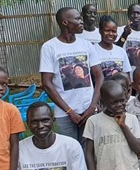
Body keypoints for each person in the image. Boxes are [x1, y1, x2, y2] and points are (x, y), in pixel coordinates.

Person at [40, 7, 103, 143]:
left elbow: (99, 76)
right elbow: (46, 83)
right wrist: (69, 111)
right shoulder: (49, 47)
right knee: (69, 150)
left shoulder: (87, 45)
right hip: (64, 114)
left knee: (90, 150)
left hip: (89, 111)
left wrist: (92, 106)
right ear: (65, 22)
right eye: (77, 19)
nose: (82, 22)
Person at [117, 4, 140, 70]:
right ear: (128, 15)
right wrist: (124, 35)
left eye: (138, 13)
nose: (135, 16)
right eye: (132, 13)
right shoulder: (119, 31)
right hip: (125, 72)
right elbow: (115, 50)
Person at [95, 15, 131, 80]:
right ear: (100, 31)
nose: (111, 34)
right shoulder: (93, 50)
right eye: (107, 31)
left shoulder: (121, 51)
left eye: (114, 31)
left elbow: (127, 76)